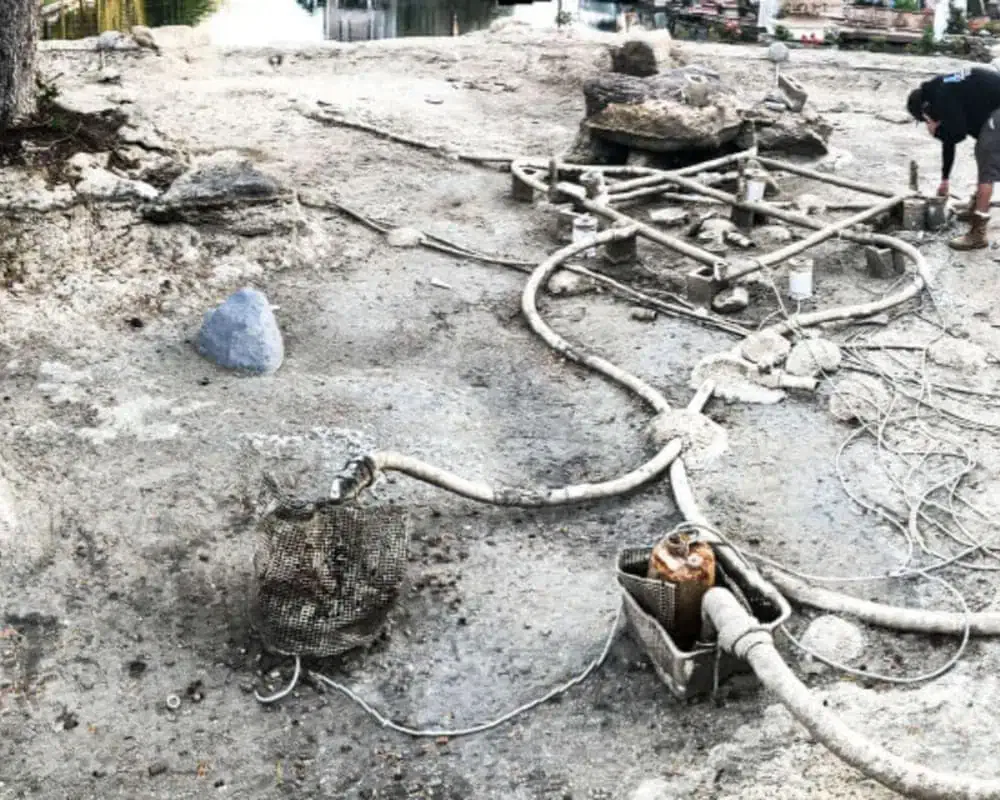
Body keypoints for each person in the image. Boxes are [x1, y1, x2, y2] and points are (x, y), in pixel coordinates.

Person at [907, 67, 1000, 251]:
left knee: (986, 156)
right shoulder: (941, 90)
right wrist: (945, 179)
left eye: (925, 119)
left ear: (924, 110)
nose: (928, 122)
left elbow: (957, 134)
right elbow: (950, 138)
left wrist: (936, 131)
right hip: (993, 108)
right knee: (985, 149)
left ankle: (977, 233)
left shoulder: (942, 95)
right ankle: (976, 206)